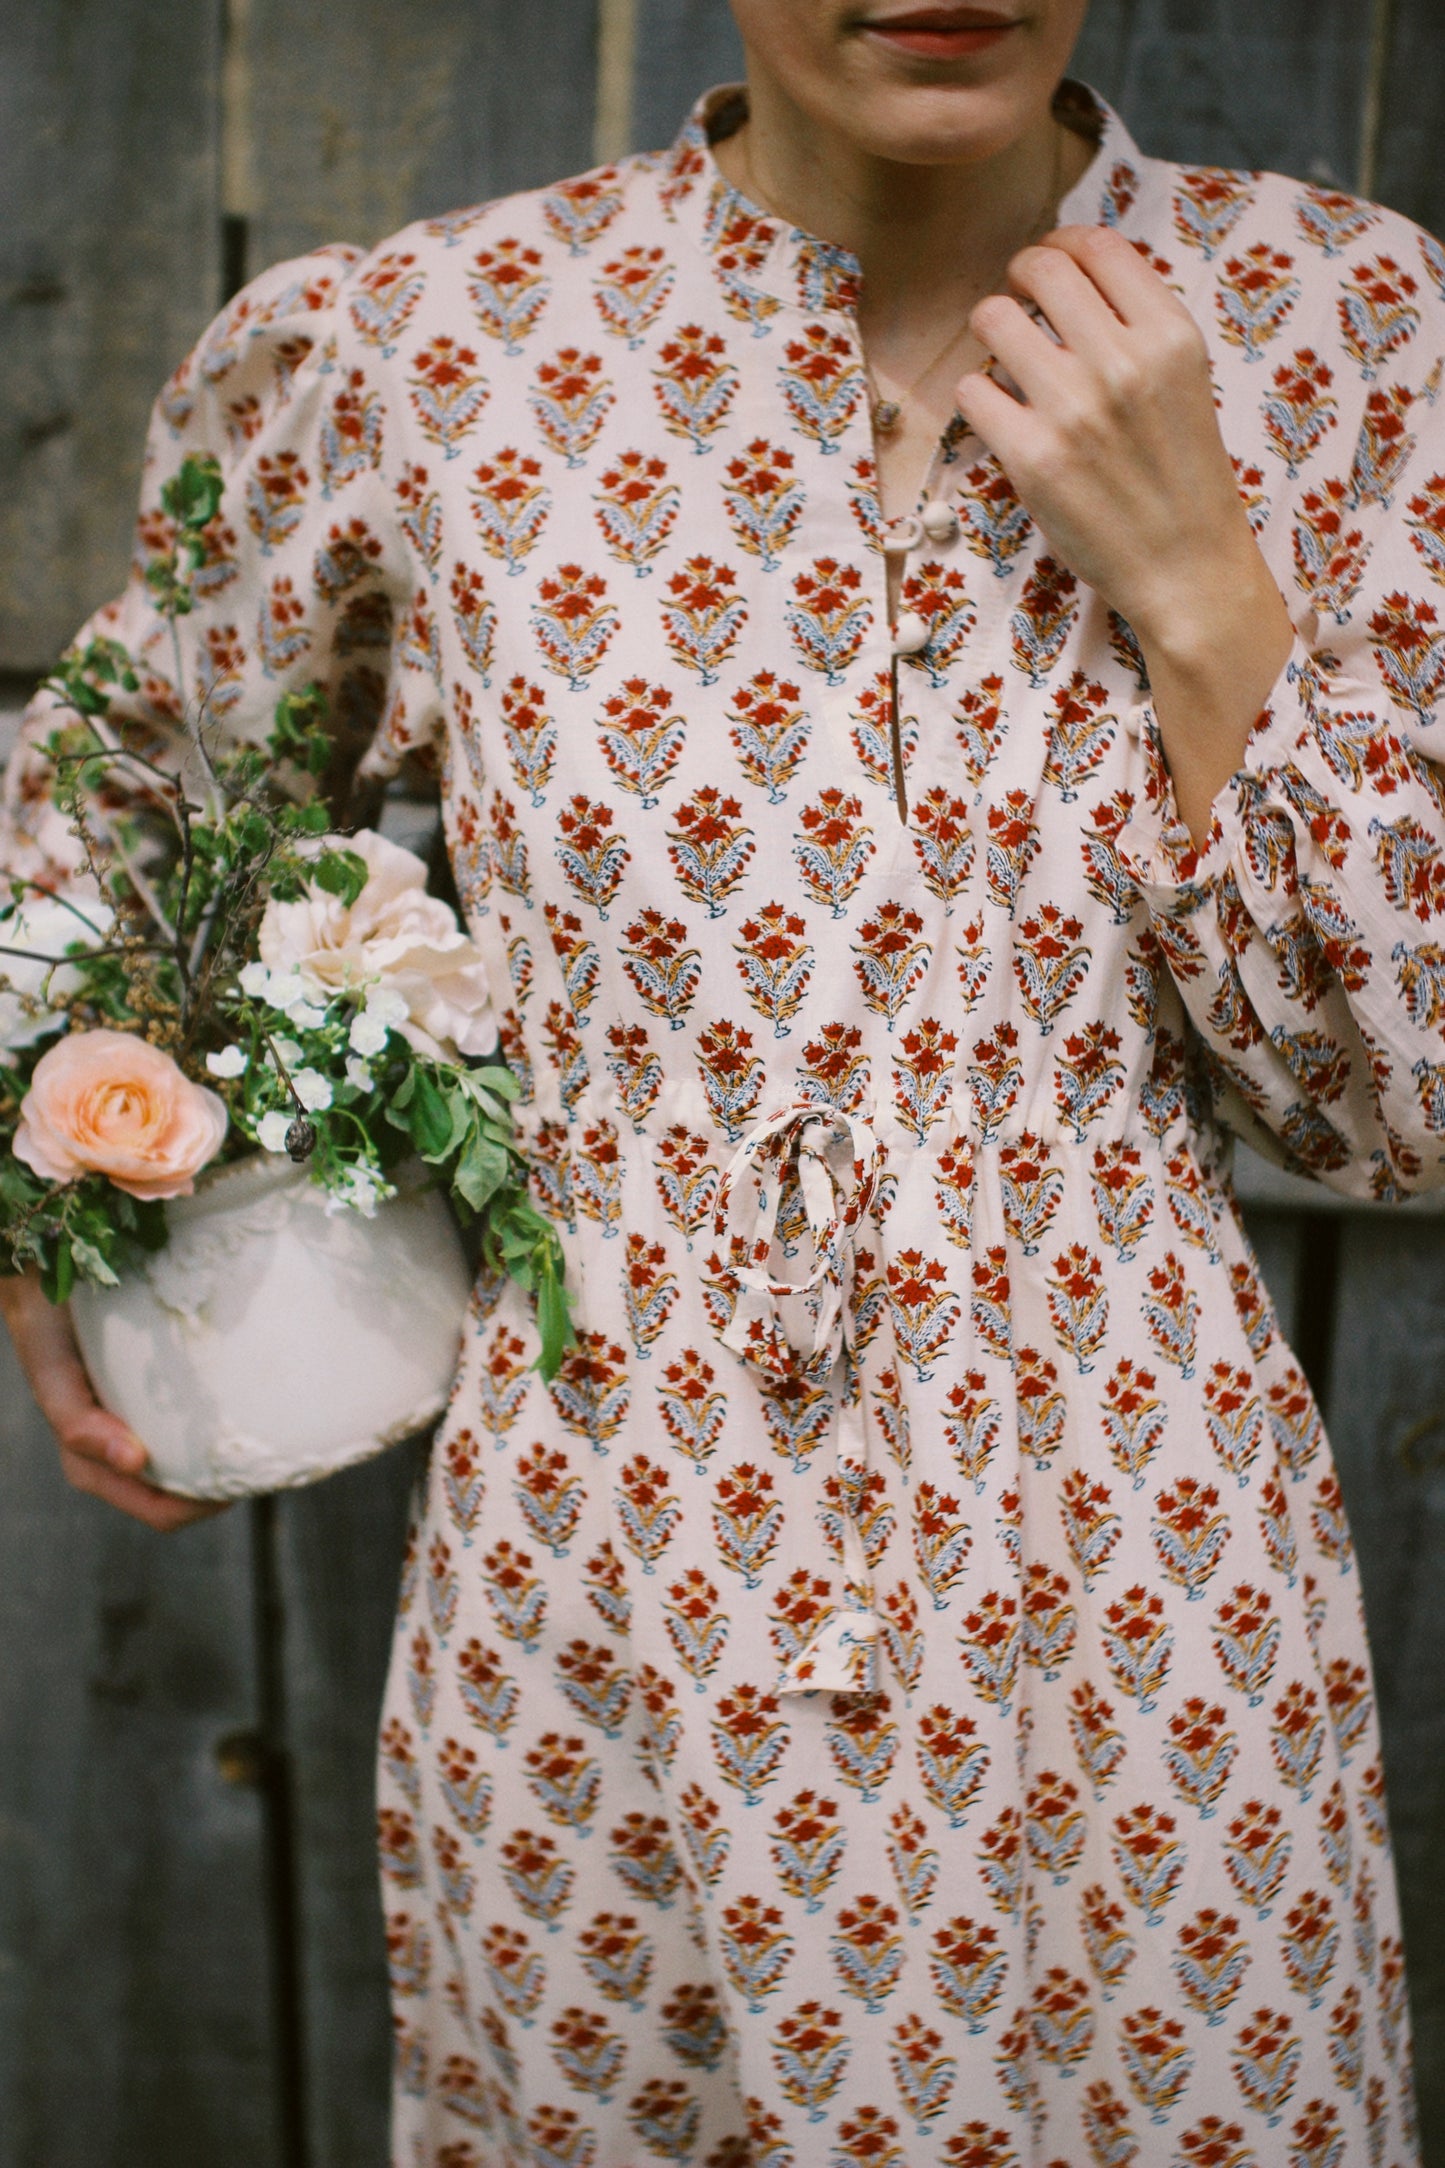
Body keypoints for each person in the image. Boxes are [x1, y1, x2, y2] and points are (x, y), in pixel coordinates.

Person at [2, 1, 1438, 2158]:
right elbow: (118, 812)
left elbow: (1402, 1097)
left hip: (1143, 1548)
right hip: (602, 1540)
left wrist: (1198, 580)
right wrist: (68, 1225)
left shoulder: (1343, 323)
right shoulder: (432, 339)